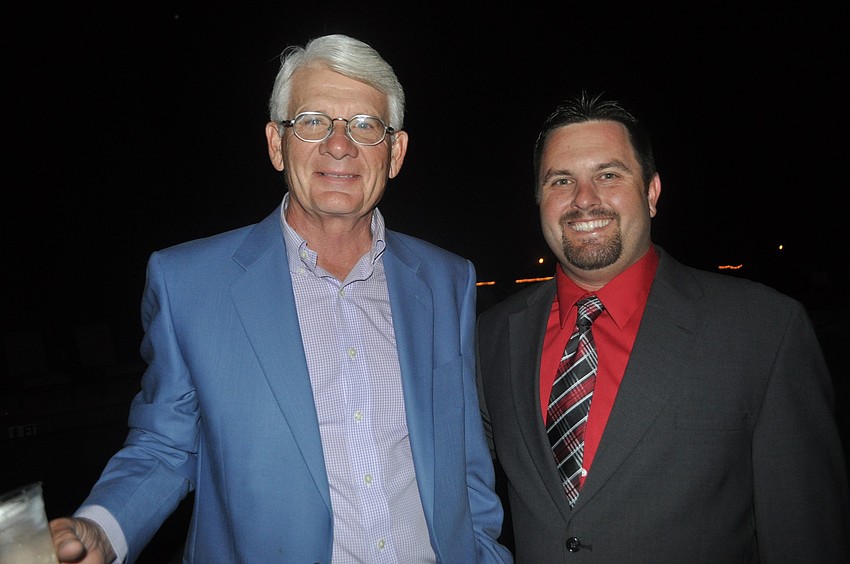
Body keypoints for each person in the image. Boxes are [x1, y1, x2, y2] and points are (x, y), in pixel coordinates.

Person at [49, 33, 512, 563]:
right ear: (276, 143)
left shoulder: (447, 280)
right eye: (313, 121)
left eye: (365, 126)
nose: (339, 145)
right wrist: (102, 530)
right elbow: (164, 447)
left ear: (395, 153)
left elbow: (466, 462)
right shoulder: (190, 284)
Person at [476, 92, 850, 562]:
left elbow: (806, 536)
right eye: (561, 180)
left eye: (608, 175)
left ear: (651, 192)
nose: (583, 199)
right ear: (539, 199)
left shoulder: (763, 332)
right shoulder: (489, 338)